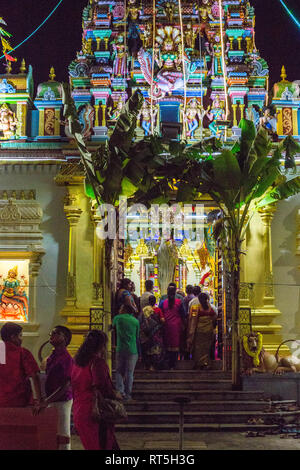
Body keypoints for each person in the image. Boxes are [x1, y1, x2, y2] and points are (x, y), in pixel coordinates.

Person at [71, 330, 120, 450]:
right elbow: (103, 386)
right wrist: (116, 394)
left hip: (80, 409)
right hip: (95, 411)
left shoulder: (77, 363)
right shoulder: (97, 363)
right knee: (102, 444)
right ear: (101, 345)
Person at [0, 322, 42, 412]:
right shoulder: (22, 353)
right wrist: (38, 400)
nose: (21, 339)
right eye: (20, 336)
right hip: (18, 400)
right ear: (13, 337)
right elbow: (34, 377)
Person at [44, 325, 73, 450]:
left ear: (65, 338)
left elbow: (65, 385)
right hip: (52, 398)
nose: (51, 335)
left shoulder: (66, 358)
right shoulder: (52, 356)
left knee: (63, 433)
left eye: (56, 333)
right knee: (53, 433)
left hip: (62, 400)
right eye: (51, 332)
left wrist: (47, 400)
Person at [113, 304, 140, 401]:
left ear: (124, 309)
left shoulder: (118, 318)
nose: (119, 309)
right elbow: (137, 337)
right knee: (129, 373)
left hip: (121, 348)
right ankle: (128, 395)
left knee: (119, 371)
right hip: (133, 350)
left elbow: (112, 328)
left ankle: (120, 391)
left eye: (120, 308)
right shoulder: (136, 321)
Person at [186, 292, 218, 370]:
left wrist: (190, 332)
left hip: (199, 330)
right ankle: (206, 362)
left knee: (198, 348)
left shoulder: (195, 308)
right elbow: (214, 316)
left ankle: (199, 363)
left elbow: (192, 320)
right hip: (208, 330)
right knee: (206, 348)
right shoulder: (210, 307)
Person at [161, 286, 185, 369]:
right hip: (176, 326)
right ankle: (173, 364)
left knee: (167, 344)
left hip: (166, 325)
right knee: (175, 345)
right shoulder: (179, 302)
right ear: (175, 293)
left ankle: (168, 364)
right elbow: (183, 314)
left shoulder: (163, 302)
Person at [140, 295, 165, 370]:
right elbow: (163, 320)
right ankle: (153, 366)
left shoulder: (144, 310)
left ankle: (146, 365)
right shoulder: (157, 310)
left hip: (146, 333)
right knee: (155, 349)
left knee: (147, 348)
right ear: (155, 301)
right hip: (155, 333)